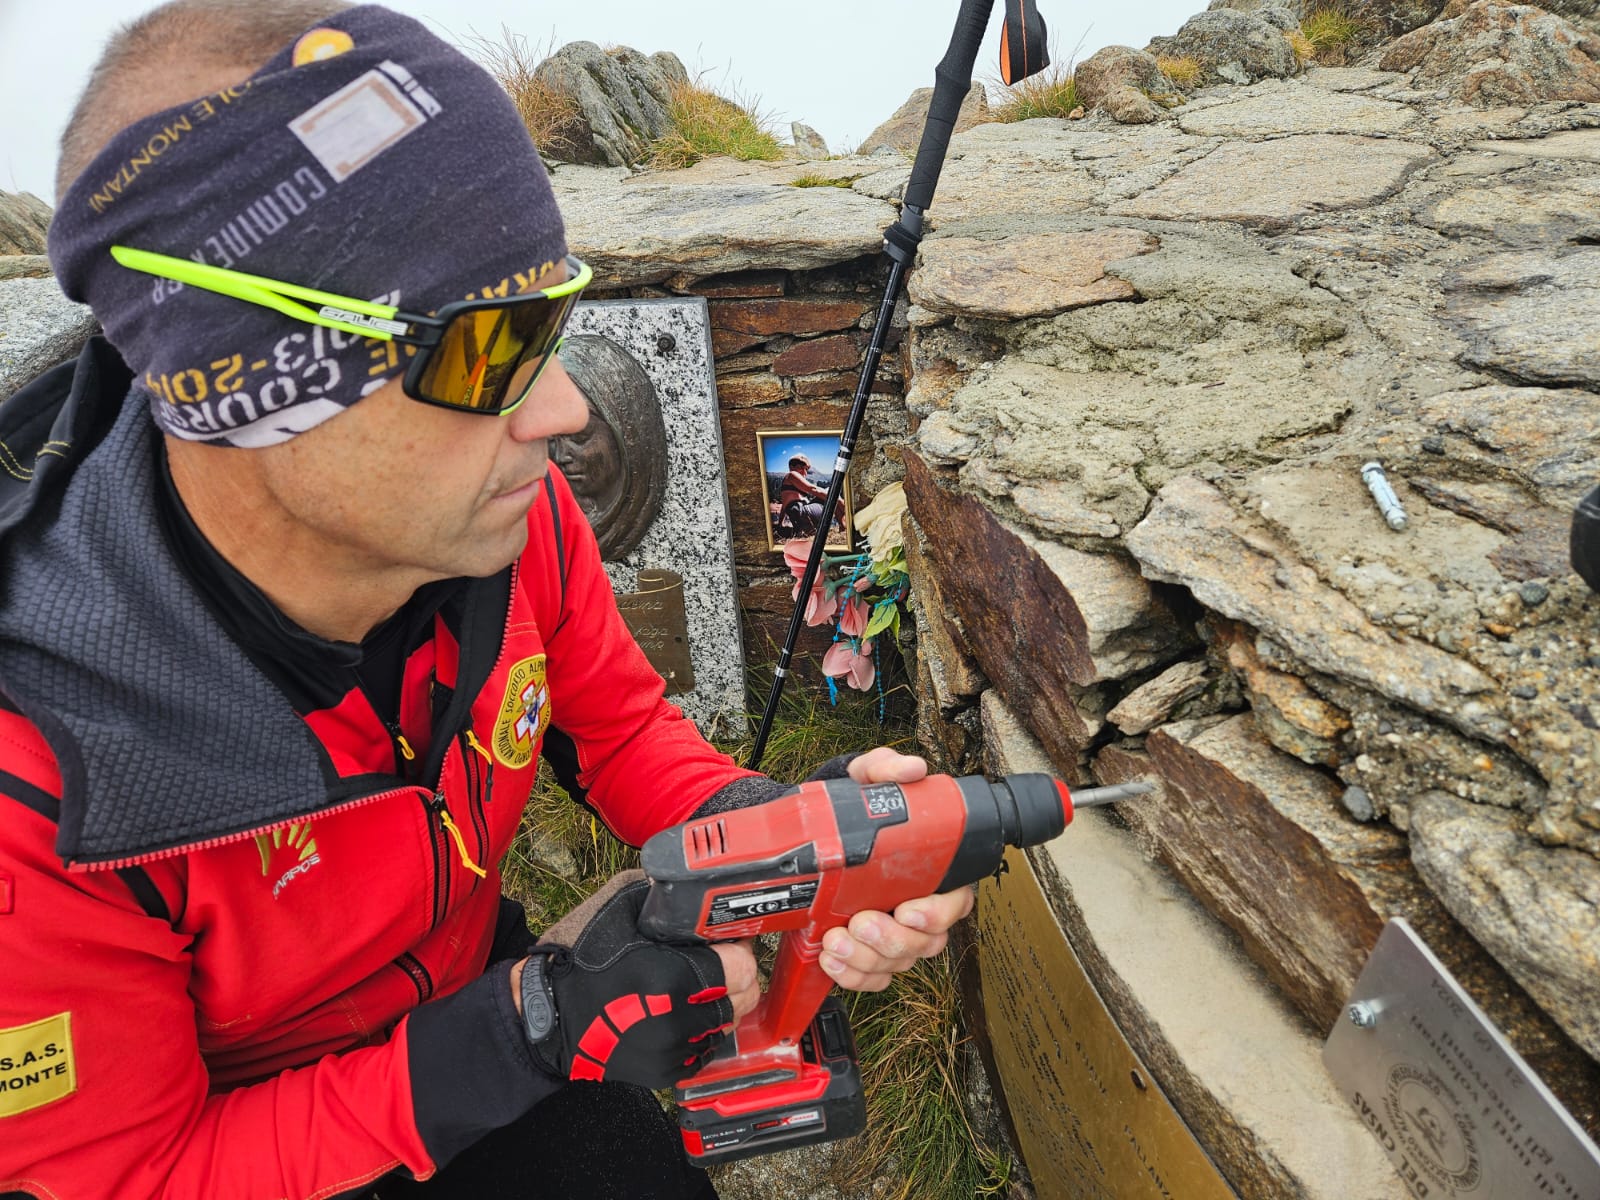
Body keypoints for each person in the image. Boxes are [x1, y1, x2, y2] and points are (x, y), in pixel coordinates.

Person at [0, 4, 973, 1198]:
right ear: (256, 391)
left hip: (473, 1006)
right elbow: (129, 1175)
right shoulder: (36, 775)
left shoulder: (499, 516)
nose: (562, 411)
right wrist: (521, 1030)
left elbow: (616, 728)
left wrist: (775, 831)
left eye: (553, 319)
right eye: (487, 349)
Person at [774, 454, 832, 539]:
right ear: (791, 467)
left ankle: (840, 524)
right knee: (830, 491)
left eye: (806, 469)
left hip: (801, 517)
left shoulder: (791, 484)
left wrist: (780, 524)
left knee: (828, 491)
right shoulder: (792, 474)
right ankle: (842, 524)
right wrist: (837, 500)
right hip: (804, 513)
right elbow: (813, 489)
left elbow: (784, 505)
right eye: (801, 467)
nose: (805, 472)